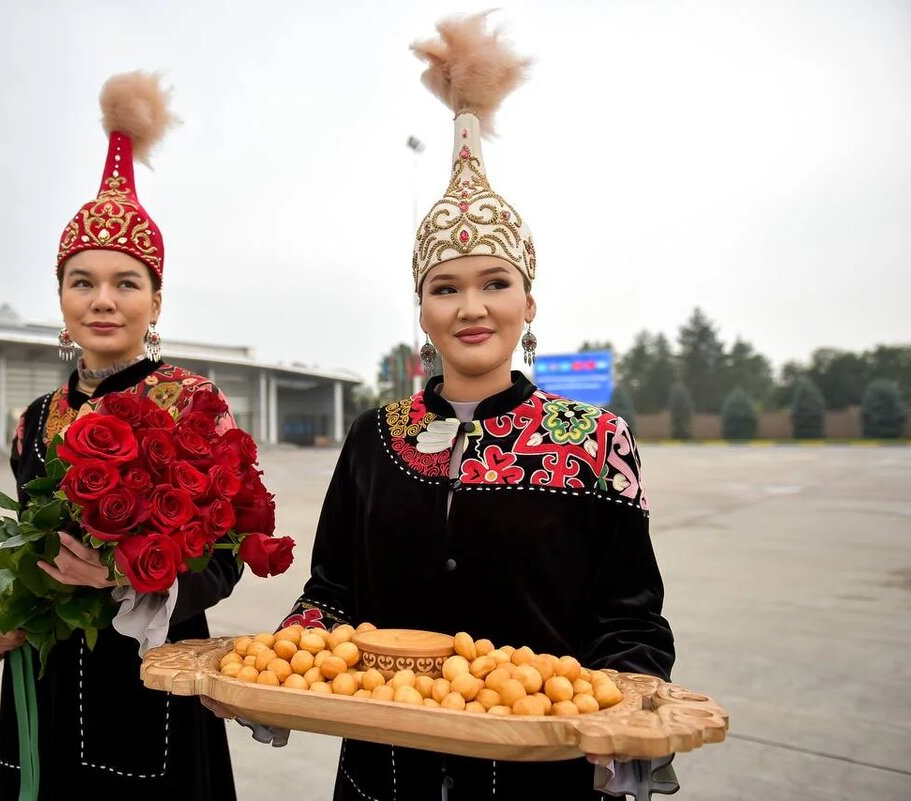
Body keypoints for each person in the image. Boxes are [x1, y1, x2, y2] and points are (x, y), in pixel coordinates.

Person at [279, 14, 675, 800]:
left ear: (529, 302)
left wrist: (626, 722)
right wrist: (284, 664)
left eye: (495, 282)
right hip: (384, 774)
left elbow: (629, 622)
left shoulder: (596, 442)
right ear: (422, 310)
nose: (471, 307)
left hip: (543, 778)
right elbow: (330, 592)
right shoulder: (373, 438)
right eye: (445, 287)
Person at [0, 71, 239, 801]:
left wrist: (128, 577)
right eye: (82, 281)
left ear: (156, 301)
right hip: (44, 679)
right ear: (61, 297)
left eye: (126, 282)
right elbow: (25, 544)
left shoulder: (193, 404)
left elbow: (226, 561)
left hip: (151, 687)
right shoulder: (33, 419)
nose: (103, 300)